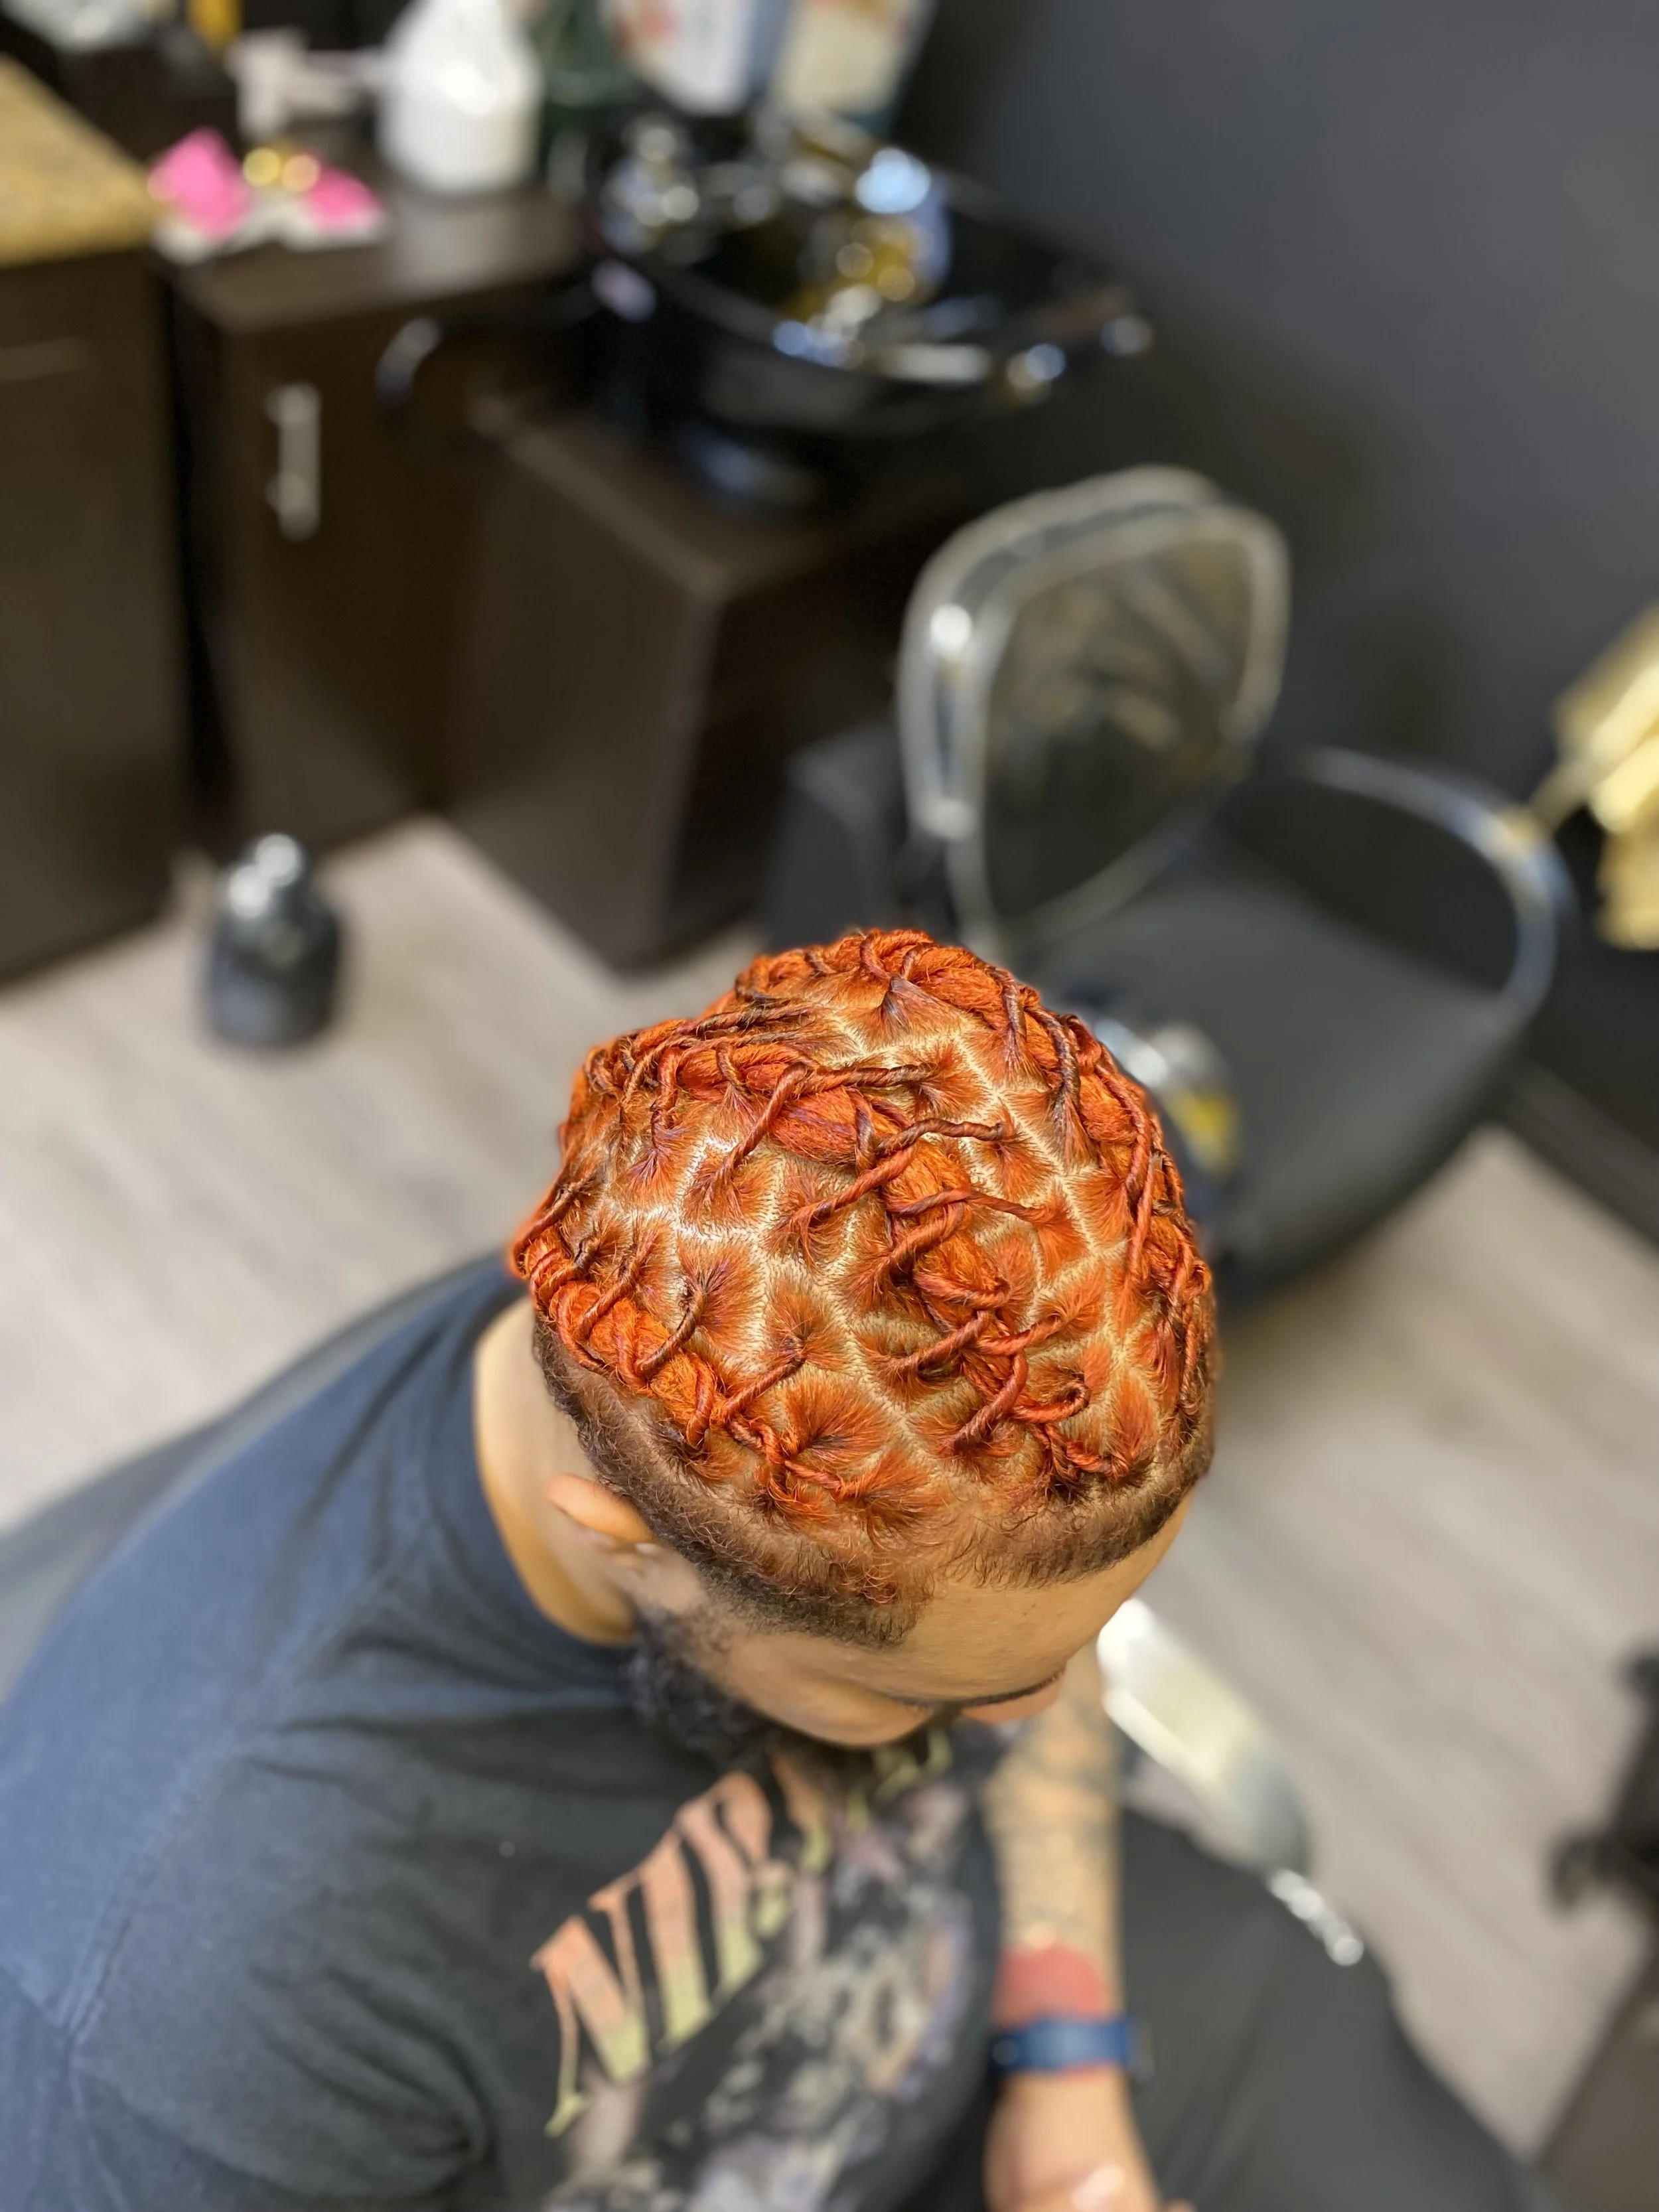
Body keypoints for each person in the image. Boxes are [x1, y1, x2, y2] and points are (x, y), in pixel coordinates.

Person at [0, 930, 1554, 2212]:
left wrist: (1068, 2070)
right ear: (629, 1546)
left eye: (1070, 1646)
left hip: (1007, 1992)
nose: (1047, 1698)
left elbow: (1026, 1685)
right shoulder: (205, 2029)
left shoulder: (713, 1304)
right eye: (953, 1688)